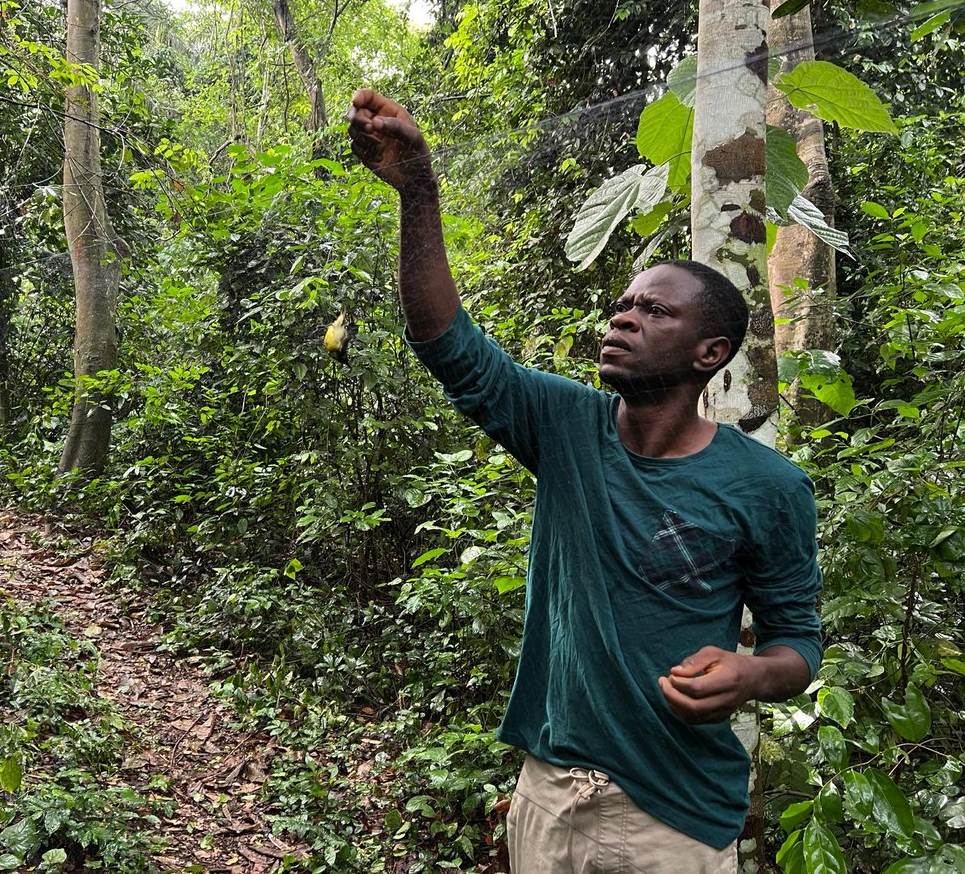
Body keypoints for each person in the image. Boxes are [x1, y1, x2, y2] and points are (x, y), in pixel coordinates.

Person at [347, 89, 823, 873]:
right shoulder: (565, 426)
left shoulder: (769, 487)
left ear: (710, 354)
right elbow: (448, 343)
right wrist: (420, 188)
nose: (623, 318)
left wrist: (752, 672)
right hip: (548, 792)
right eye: (624, 305)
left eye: (654, 313)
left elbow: (797, 642)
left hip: (674, 817)